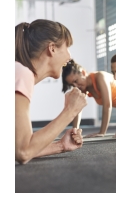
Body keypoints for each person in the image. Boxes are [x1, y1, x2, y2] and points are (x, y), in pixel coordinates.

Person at [15, 19, 87, 165]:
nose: (69, 57)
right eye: (67, 46)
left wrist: (60, 146)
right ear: (52, 48)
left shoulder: (18, 71)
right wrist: (70, 110)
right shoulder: (22, 73)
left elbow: (15, 147)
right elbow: (23, 151)